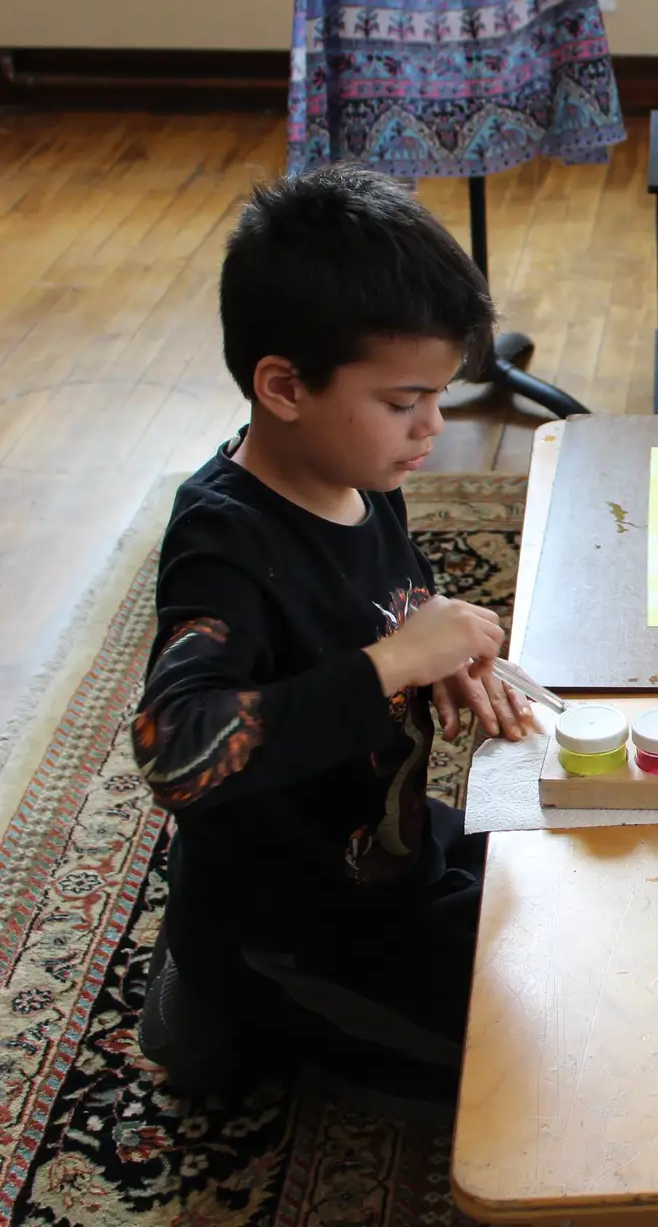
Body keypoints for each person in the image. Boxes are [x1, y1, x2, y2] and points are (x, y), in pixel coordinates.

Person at [133, 166, 536, 1111]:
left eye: (437, 396)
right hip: (299, 920)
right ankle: (222, 1010)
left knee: (566, 896)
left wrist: (438, 655)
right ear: (283, 386)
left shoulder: (363, 480)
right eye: (403, 403)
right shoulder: (222, 544)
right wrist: (393, 663)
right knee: (538, 1069)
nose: (433, 426)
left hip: (379, 847)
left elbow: (377, 608)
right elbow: (177, 753)